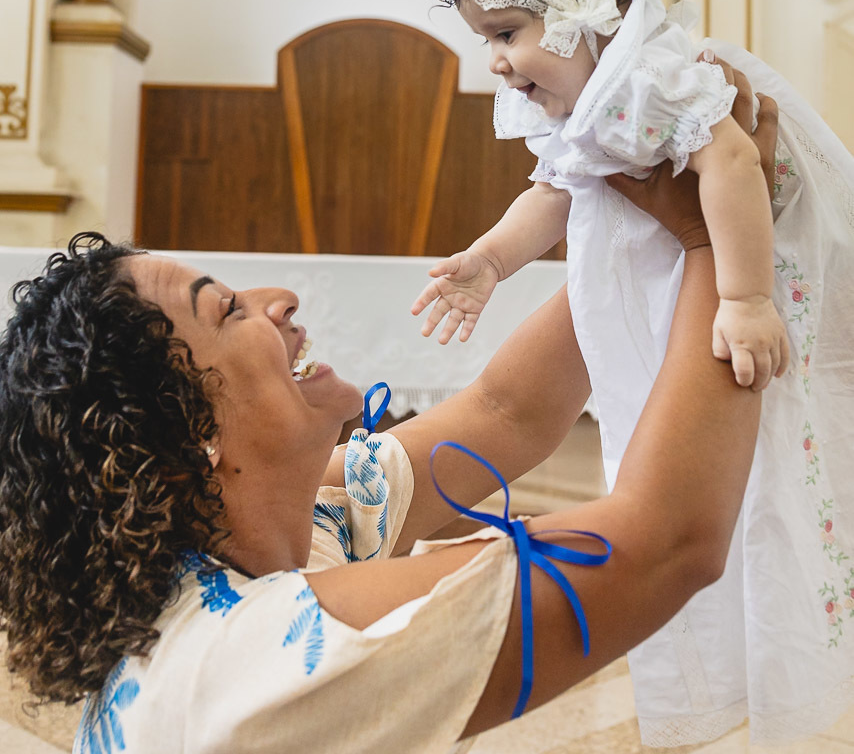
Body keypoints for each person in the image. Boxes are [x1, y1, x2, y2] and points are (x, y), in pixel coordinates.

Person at [0, 72, 771, 754]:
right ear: (193, 435)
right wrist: (716, 244)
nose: (279, 300)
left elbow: (507, 413)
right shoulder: (261, 664)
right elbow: (665, 541)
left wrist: (648, 217)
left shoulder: (289, 519)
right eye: (230, 311)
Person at [412, 0, 854, 746]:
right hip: (681, 272)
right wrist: (491, 260)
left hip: (758, 258)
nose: (495, 61)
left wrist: (744, 298)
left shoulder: (656, 76)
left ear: (596, 0)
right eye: (486, 39)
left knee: (771, 448)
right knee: (672, 450)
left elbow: (734, 161)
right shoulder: (589, 95)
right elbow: (554, 190)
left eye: (507, 31)